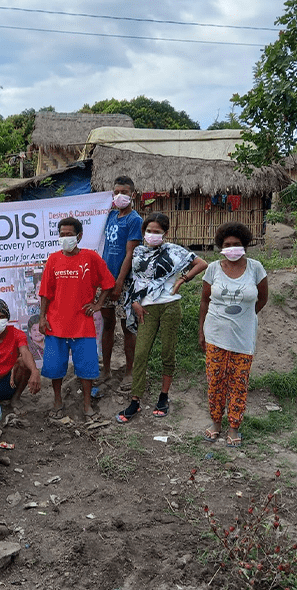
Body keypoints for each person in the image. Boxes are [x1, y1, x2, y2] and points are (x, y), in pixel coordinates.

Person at [116, 213, 208, 423]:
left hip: (169, 306)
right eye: (149, 231)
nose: (152, 235)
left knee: (168, 352)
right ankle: (135, 401)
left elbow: (202, 263)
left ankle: (163, 397)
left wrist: (182, 280)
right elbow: (134, 281)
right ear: (143, 232)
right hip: (146, 308)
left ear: (165, 233)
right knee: (140, 354)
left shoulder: (174, 250)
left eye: (157, 232)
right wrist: (135, 302)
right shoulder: (138, 252)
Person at [198, 221, 268, 447]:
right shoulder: (213, 269)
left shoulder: (256, 268)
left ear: (245, 245)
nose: (232, 248)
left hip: (244, 337)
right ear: (221, 245)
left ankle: (234, 427)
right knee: (215, 381)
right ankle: (216, 423)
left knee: (239, 383)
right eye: (227, 244)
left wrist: (246, 316)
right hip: (215, 335)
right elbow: (204, 301)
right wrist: (201, 332)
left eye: (237, 244)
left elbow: (263, 298)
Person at [39, 217, 115, 420]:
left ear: (79, 236)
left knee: (87, 368)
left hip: (83, 324)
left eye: (69, 234)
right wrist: (42, 318)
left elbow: (109, 283)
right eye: (62, 234)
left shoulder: (90, 258)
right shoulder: (53, 259)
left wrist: (98, 305)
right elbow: (45, 292)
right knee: (55, 368)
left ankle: (87, 406)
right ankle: (57, 401)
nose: (65, 238)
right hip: (56, 323)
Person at [99, 176, 143, 392]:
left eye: (124, 192)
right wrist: (106, 282)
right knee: (107, 325)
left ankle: (129, 372)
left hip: (124, 282)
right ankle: (106, 370)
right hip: (105, 280)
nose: (119, 196)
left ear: (133, 194)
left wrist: (118, 283)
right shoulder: (111, 217)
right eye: (116, 192)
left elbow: (130, 253)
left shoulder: (134, 220)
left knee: (128, 327)